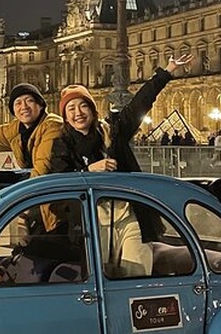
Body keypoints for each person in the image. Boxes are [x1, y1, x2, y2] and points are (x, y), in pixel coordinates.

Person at [47, 53, 193, 275]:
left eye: (83, 106)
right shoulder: (62, 144)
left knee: (137, 272)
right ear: (65, 116)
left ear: (92, 109)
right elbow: (59, 180)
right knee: (98, 276)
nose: (78, 113)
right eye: (71, 108)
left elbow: (140, 104)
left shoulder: (114, 130)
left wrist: (167, 71)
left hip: (129, 216)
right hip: (92, 221)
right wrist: (88, 171)